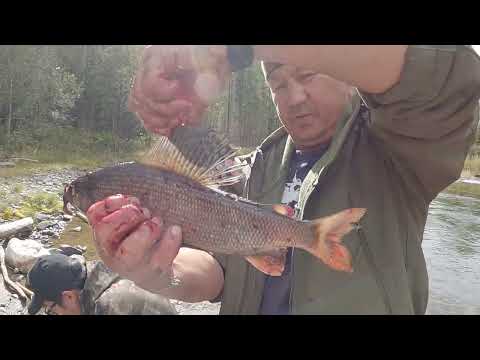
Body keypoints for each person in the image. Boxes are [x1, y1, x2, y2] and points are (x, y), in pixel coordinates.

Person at [87, 45, 480, 314]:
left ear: (347, 77)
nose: (294, 97)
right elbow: (219, 271)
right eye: (278, 85)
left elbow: (444, 78)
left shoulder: (398, 148)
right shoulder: (259, 167)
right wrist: (151, 271)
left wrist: (234, 48)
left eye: (308, 75)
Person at [26, 254, 177, 315]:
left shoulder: (110, 304)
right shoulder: (92, 276)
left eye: (51, 310)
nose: (53, 314)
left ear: (69, 296)